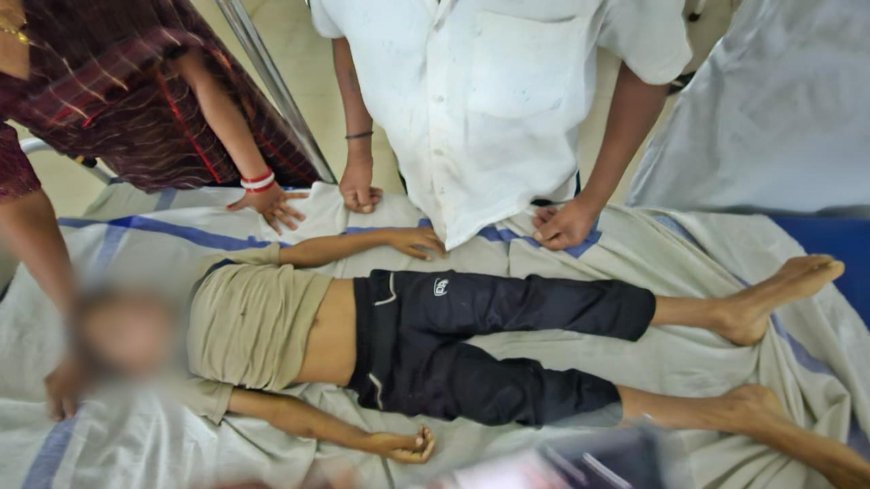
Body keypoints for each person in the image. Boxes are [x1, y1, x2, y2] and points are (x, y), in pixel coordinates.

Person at [69, 227, 869, 487]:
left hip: (394, 300)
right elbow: (282, 412)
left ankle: (724, 312)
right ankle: (736, 413)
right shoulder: (177, 379)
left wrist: (383, 233)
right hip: (386, 377)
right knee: (538, 398)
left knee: (538, 299)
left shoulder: (205, 273)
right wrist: (369, 440)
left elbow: (299, 254)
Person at [0, 0, 319, 418]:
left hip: (214, 134)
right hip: (149, 167)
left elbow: (196, 72)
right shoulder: (181, 359)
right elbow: (13, 195)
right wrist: (84, 325)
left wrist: (257, 180)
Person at [308, 0, 691, 251]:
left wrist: (592, 201)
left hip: (538, 202)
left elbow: (650, 66)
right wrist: (358, 150)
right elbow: (343, 36)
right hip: (418, 177)